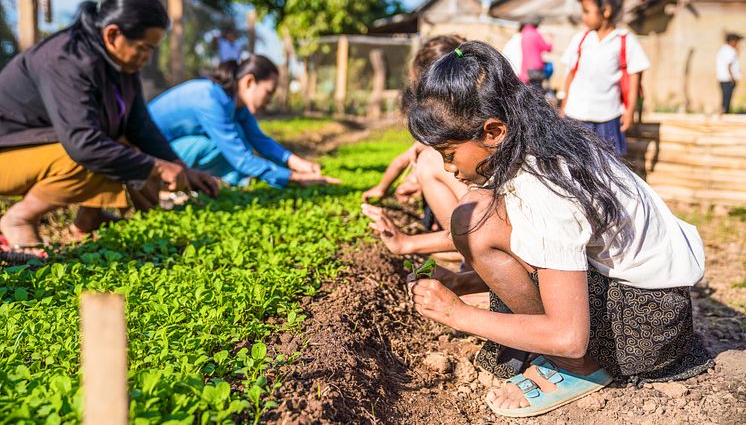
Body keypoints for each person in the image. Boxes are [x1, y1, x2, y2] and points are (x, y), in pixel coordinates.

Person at [405, 41, 712, 418]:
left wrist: (456, 314)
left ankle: (576, 368)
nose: (447, 167)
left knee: (478, 222)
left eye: (449, 154)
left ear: (494, 130)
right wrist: (462, 281)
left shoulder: (544, 185)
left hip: (647, 325)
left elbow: (569, 335)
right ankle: (547, 343)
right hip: (650, 300)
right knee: (476, 212)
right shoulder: (540, 142)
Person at [0, 0, 217, 253]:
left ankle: (89, 219)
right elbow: (83, 145)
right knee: (93, 153)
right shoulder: (65, 60)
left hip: (40, 146)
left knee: (121, 145)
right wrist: (157, 168)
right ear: (113, 34)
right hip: (8, 153)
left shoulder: (120, 63)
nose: (147, 57)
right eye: (143, 48)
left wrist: (178, 167)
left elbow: (140, 126)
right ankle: (20, 218)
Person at [148, 57, 339, 188]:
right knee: (218, 145)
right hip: (148, 155)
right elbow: (240, 158)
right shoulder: (209, 99)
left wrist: (297, 163)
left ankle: (205, 180)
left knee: (239, 134)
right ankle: (165, 184)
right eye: (268, 92)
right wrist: (294, 178)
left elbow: (259, 140)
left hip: (172, 150)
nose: (269, 100)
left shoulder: (236, 104)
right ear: (249, 82)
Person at [361, 35, 468, 255]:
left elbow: (406, 160)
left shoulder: (440, 125)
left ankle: (457, 243)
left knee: (428, 162)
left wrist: (384, 188)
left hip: (482, 224)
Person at [560, 0, 649, 155]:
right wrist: (564, 103)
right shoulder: (581, 39)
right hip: (576, 115)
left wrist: (629, 111)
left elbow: (634, 80)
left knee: (609, 168)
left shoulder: (625, 41)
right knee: (573, 164)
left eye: (587, 11)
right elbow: (571, 74)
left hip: (607, 119)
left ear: (606, 11)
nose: (583, 16)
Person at [519, 16, 552, 91]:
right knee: (537, 91)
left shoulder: (524, 34)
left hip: (526, 69)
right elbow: (547, 48)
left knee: (528, 91)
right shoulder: (535, 34)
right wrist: (551, 40)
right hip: (536, 69)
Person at [716, 32, 742, 114]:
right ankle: (724, 113)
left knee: (725, 97)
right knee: (727, 98)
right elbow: (729, 65)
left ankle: (723, 112)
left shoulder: (723, 49)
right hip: (728, 78)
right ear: (732, 41)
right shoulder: (730, 50)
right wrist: (732, 78)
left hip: (722, 78)